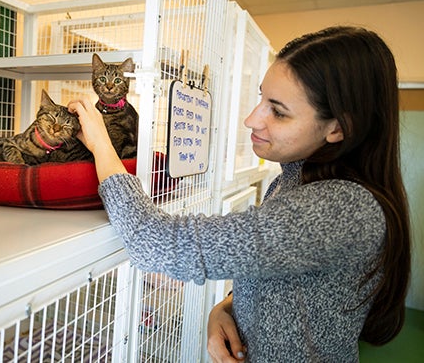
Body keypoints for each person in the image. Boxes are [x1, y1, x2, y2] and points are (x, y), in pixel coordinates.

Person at [67, 26, 411, 362]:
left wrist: (101, 145)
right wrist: (226, 307)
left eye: (277, 111)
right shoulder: (293, 179)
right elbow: (283, 269)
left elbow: (153, 241)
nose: (251, 119)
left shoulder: (341, 209)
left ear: (338, 127)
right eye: (261, 97)